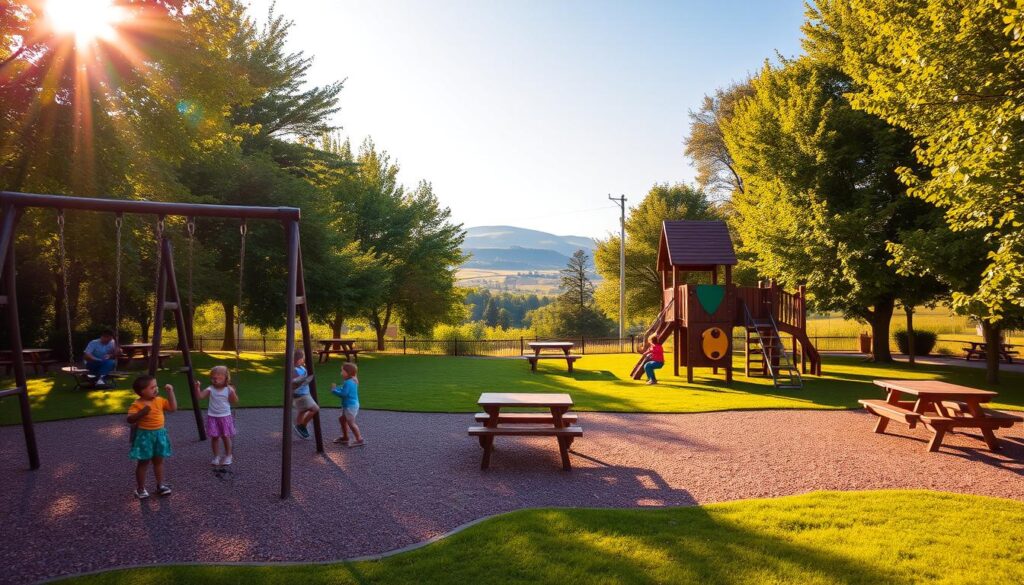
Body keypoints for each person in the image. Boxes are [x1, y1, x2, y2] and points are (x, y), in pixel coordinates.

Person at [126, 375, 176, 499]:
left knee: (158, 462)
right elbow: (130, 419)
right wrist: (142, 413)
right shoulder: (136, 404)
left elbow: (173, 408)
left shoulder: (159, 400)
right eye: (152, 387)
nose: (156, 389)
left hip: (159, 434)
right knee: (143, 463)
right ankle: (141, 489)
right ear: (142, 391)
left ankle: (160, 485)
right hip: (145, 436)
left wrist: (170, 393)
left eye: (156, 386)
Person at [194, 365, 238, 466]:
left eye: (218, 376)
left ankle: (228, 456)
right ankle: (216, 456)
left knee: (225, 436)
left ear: (225, 378)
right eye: (213, 376)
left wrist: (233, 392)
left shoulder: (228, 389)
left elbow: (234, 401)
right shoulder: (210, 389)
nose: (215, 378)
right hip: (212, 416)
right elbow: (200, 396)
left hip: (225, 416)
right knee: (214, 437)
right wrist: (197, 388)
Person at [330, 362, 364, 447]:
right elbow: (345, 390)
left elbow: (344, 394)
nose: (341, 373)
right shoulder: (351, 380)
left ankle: (359, 439)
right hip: (349, 405)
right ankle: (345, 437)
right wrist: (338, 388)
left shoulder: (348, 382)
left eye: (342, 371)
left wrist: (334, 390)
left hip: (350, 406)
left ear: (348, 372)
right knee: (342, 419)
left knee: (351, 423)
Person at [291, 349, 319, 439]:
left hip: (305, 393)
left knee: (302, 410)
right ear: (299, 359)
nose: (303, 360)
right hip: (301, 395)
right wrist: (301, 380)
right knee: (315, 408)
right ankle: (302, 426)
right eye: (302, 359)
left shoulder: (302, 367)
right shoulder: (294, 370)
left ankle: (299, 428)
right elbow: (293, 383)